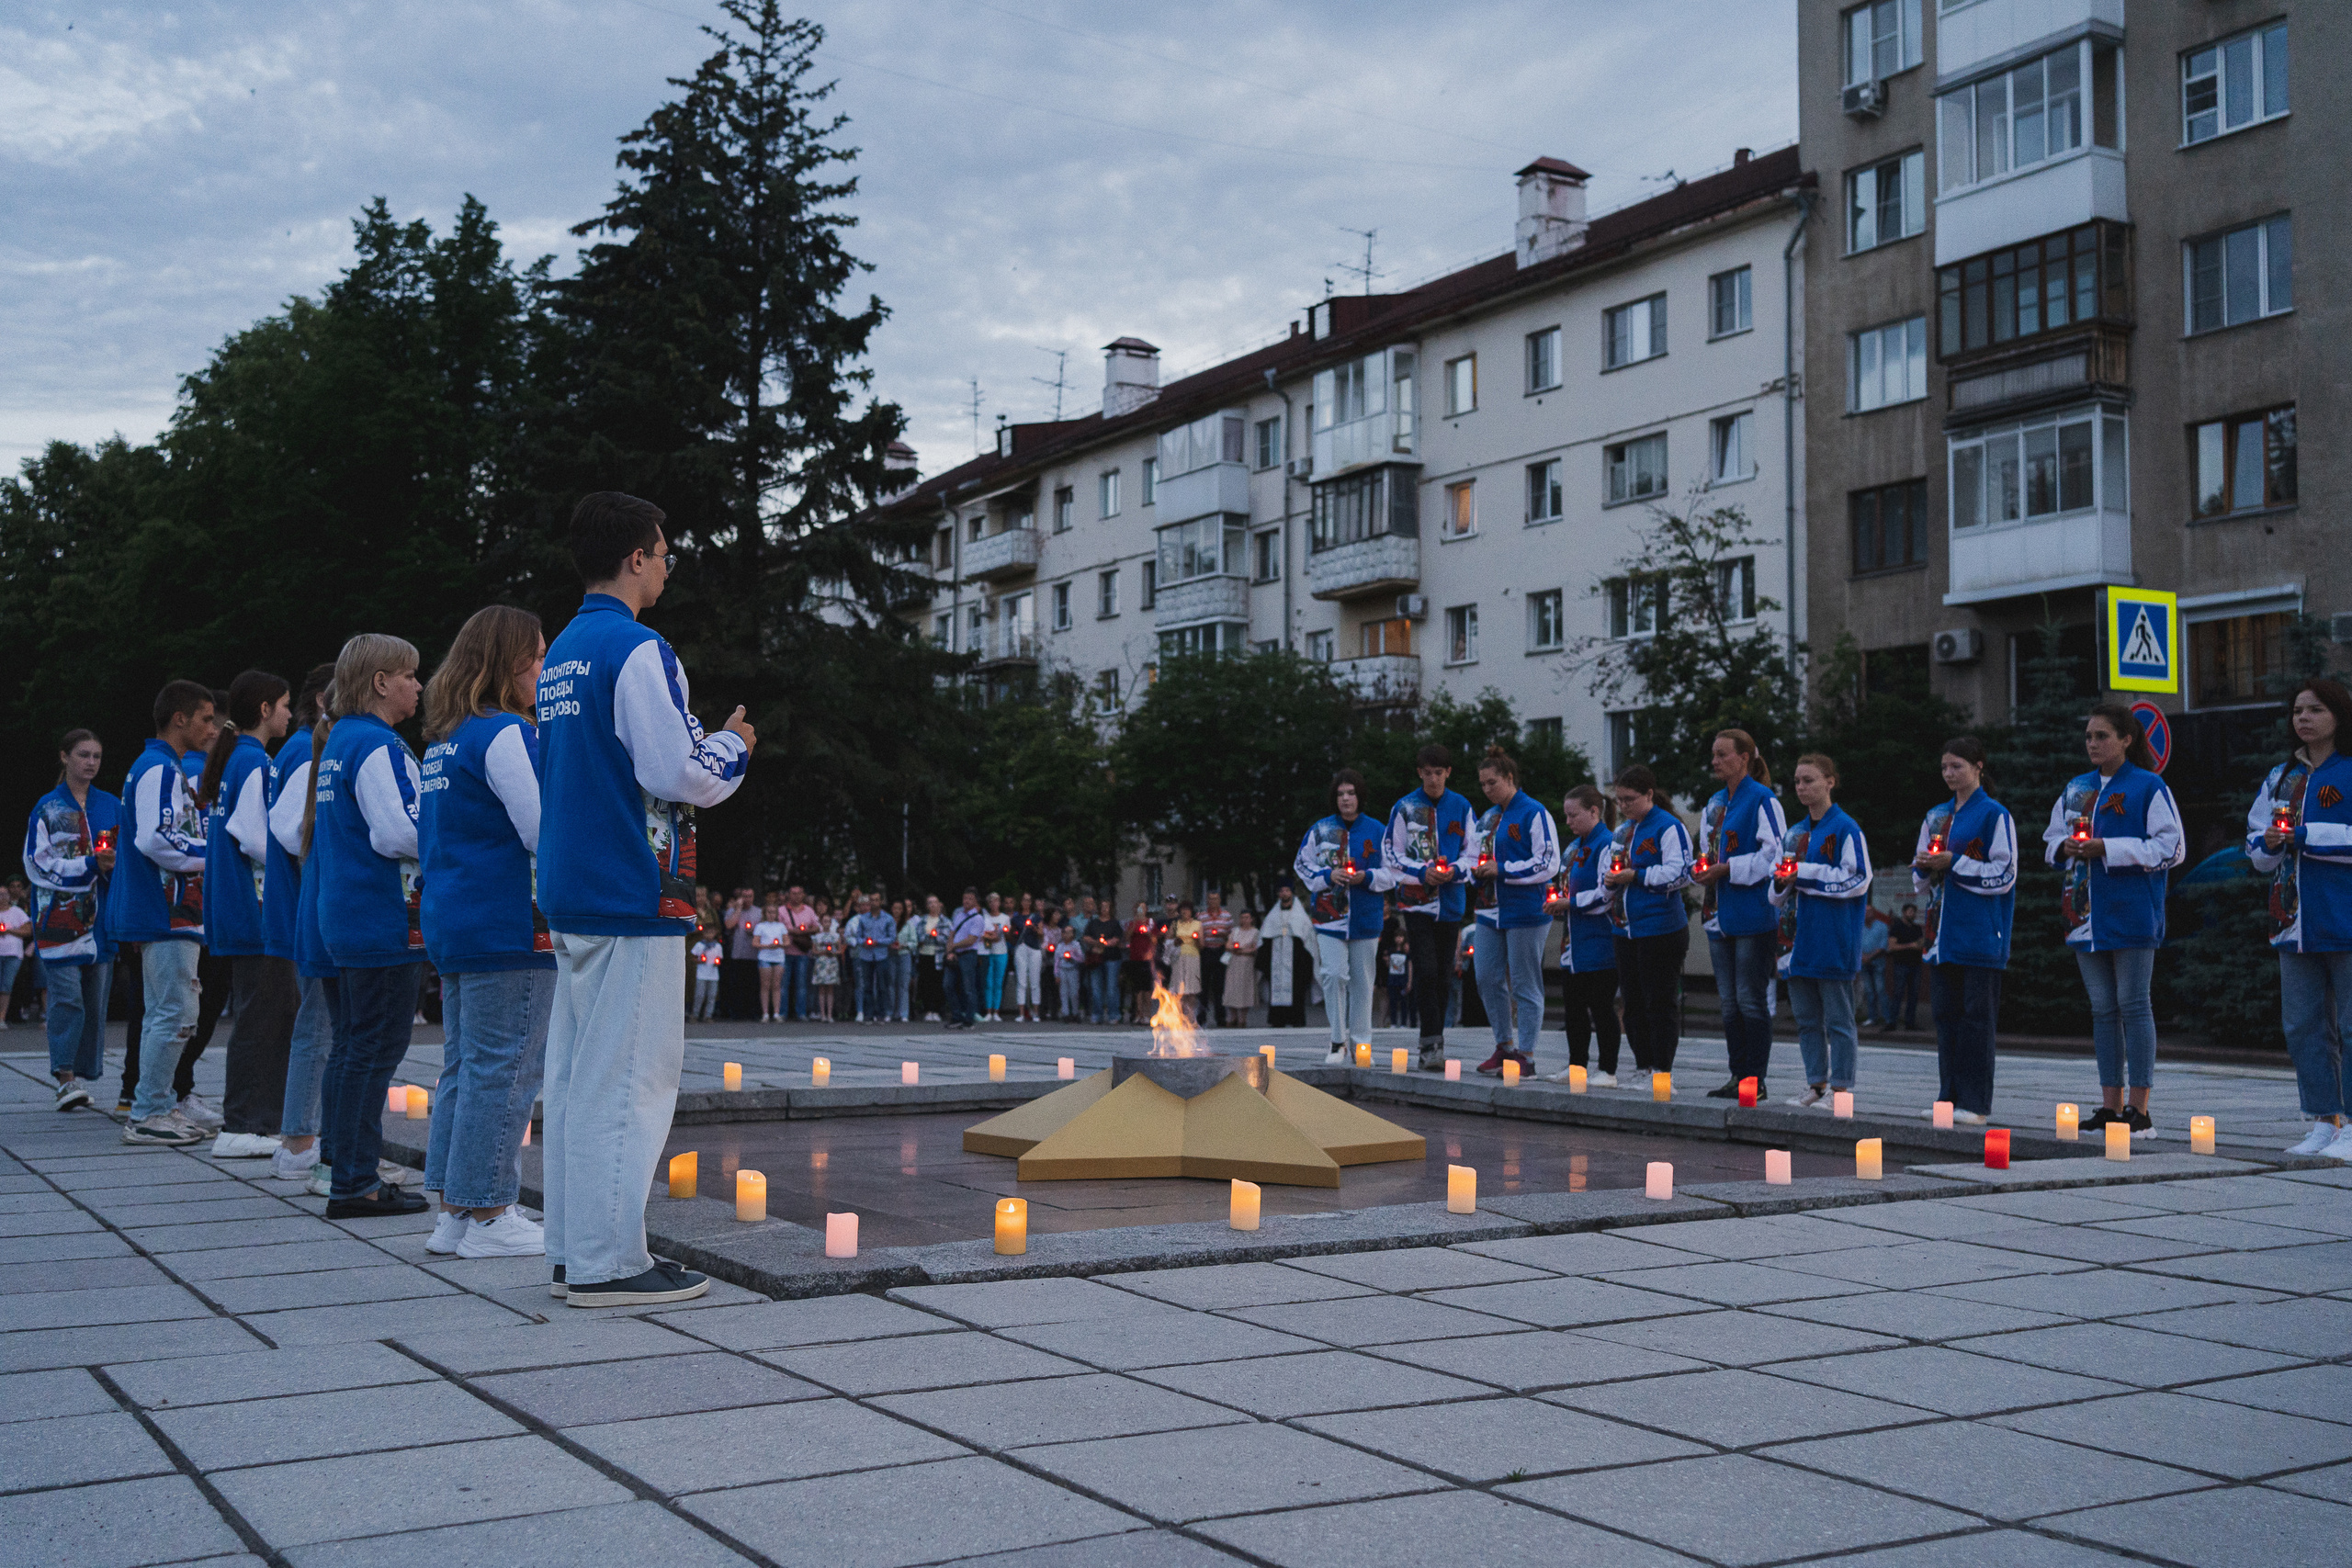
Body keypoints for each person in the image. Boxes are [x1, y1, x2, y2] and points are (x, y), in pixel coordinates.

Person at [537, 491, 752, 1306]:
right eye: (663, 551)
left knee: (577, 1077)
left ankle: (573, 1246)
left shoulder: (562, 650)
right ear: (635, 557)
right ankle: (608, 1262)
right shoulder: (636, 648)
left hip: (572, 883)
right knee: (629, 1079)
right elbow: (677, 771)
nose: (667, 565)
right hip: (630, 886)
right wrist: (735, 744)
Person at [416, 604, 555, 1258]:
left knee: (464, 1068)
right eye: (537, 653)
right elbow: (539, 830)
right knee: (507, 1069)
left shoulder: (446, 740)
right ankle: (492, 1211)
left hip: (455, 920)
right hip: (506, 924)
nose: (545, 666)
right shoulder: (506, 732)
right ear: (507, 661)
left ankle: (453, 1213)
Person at [308, 633, 433, 1214]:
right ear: (380, 682)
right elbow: (397, 831)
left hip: (351, 916)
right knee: (375, 1051)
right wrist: (453, 829)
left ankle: (345, 1167)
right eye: (408, 675)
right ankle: (355, 1181)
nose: (418, 685)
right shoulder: (377, 744)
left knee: (356, 1048)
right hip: (382, 921)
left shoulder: (341, 742)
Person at [2047, 702, 2185, 1141]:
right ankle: (2109, 1107)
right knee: (2103, 1009)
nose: (2093, 743)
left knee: (2133, 1003)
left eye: (2102, 736)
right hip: (2084, 914)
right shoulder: (2076, 788)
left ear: (2126, 740)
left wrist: (2110, 848)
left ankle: (2139, 1110)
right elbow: (2052, 837)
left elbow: (2171, 847)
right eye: (2088, 737)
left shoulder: (2148, 786)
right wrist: (2064, 848)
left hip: (2132, 912)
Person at [193, 670, 299, 1158]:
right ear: (263, 710)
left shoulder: (236, 758)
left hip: (236, 907)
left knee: (258, 1015)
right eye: (283, 705)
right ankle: (245, 1123)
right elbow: (257, 836)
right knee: (264, 1019)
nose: (289, 714)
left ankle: (251, 1119)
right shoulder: (254, 761)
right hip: (256, 911)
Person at [107, 682, 218, 1148]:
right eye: (206, 719)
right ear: (180, 718)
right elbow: (154, 839)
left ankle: (159, 1103)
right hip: (164, 911)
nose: (212, 729)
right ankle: (150, 1111)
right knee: (174, 1012)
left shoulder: (159, 766)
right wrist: (213, 858)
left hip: (170, 910)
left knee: (167, 1011)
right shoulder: (157, 768)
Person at [2251, 678, 2352, 1160]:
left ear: (2338, 714)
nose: (2303, 718)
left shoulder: (2351, 769)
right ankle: (2323, 1120)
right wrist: (2268, 843)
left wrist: (2305, 835)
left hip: (2345, 918)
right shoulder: (2281, 776)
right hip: (2292, 924)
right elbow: (2256, 843)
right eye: (2296, 711)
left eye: (2314, 710)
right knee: (2302, 1026)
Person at [267, 666, 347, 1190]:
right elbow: (282, 826)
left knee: (319, 1026)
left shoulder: (301, 747)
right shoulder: (305, 750)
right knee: (319, 1027)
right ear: (325, 698)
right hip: (318, 908)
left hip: (312, 905)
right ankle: (300, 1141)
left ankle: (303, 1139)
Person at [1912, 735, 2016, 1126]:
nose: (1950, 774)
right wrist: (1924, 866)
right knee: (1946, 1017)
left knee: (1976, 1019)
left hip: (1980, 936)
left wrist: (1953, 862)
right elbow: (1922, 878)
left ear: (1978, 767)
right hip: (1941, 935)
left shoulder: (1994, 815)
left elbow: (2004, 874)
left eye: (1958, 766)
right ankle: (1947, 1098)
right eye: (1945, 767)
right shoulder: (1936, 815)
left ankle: (1975, 1103)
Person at [24, 729, 120, 1110]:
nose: (91, 762)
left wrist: (112, 868)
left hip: (101, 922)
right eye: (83, 755)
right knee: (68, 999)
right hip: (58, 921)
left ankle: (81, 1075)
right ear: (65, 757)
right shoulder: (46, 808)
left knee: (95, 1002)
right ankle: (64, 1077)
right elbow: (37, 863)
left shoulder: (111, 805)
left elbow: (127, 857)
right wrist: (89, 865)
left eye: (97, 755)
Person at [1771, 754, 1873, 1109]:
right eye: (1797, 781)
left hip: (1832, 938)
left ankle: (1842, 1090)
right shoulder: (1795, 833)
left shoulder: (1846, 828)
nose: (1801, 787)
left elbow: (1858, 878)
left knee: (1839, 1020)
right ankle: (1816, 1084)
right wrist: (1783, 881)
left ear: (1830, 781)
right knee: (1806, 1020)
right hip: (1795, 941)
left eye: (1809, 780)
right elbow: (1775, 890)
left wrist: (1804, 873)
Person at [1693, 729, 1785, 1100]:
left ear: (1744, 757)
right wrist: (1700, 870)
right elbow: (1706, 851)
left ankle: (1755, 1081)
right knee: (1729, 1002)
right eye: (1713, 755)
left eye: (1722, 755)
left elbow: (1775, 857)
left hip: (1752, 913)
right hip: (1718, 911)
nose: (1714, 761)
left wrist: (1729, 869)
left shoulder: (1763, 800)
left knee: (1750, 998)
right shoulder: (1715, 803)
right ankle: (1737, 1074)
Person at [1465, 746, 1561, 1077]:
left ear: (1509, 778)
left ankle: (1527, 1054)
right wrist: (1471, 871)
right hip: (1489, 909)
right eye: (1482, 784)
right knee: (1486, 977)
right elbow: (1471, 856)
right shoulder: (1488, 817)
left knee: (1524, 982)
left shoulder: (1534, 812)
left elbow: (1548, 863)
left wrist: (1502, 869)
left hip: (1525, 910)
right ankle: (1503, 1045)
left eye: (1492, 783)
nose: (1487, 789)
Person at [1295, 768, 1398, 1065]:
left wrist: (1365, 877)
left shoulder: (1378, 830)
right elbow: (1302, 865)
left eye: (1351, 793)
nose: (1345, 799)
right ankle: (1337, 1042)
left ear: (1359, 796)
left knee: (1364, 982)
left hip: (1366, 918)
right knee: (1333, 975)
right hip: (1329, 919)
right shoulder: (1321, 830)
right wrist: (1329, 875)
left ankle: (1362, 1046)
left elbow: (1392, 873)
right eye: (1340, 794)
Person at [1385, 743, 1476, 1070]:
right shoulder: (1406, 807)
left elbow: (1474, 853)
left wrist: (1455, 871)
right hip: (1416, 905)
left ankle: (1437, 1039)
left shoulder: (1462, 806)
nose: (1434, 779)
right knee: (1424, 969)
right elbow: (1392, 854)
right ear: (1420, 773)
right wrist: (1421, 873)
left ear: (1448, 773)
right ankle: (1429, 1043)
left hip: (1450, 904)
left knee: (1442, 975)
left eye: (1440, 773)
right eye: (1428, 773)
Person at [1602, 765, 1693, 1076]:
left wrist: (1637, 875)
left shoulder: (1668, 827)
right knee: (1632, 1002)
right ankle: (1642, 1064)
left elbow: (1680, 873)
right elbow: (1612, 866)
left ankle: (1661, 1069)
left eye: (1629, 799)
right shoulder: (1623, 831)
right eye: (1619, 801)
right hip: (1625, 928)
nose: (1624, 806)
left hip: (1661, 928)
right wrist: (1610, 880)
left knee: (1659, 1002)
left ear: (1649, 795)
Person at [1548, 784, 1620, 1087]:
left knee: (1601, 1007)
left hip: (1599, 941)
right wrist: (1557, 902)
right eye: (1565, 816)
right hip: (1573, 943)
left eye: (1573, 815)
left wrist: (1571, 903)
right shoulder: (1575, 846)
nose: (1568, 822)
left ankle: (1607, 1069)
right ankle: (1577, 1064)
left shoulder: (1607, 844)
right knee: (1574, 1007)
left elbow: (1607, 894)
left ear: (1594, 812)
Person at [1261, 884, 1315, 1028]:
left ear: (1292, 893)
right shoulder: (1273, 916)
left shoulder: (1299, 915)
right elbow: (1265, 936)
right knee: (1276, 987)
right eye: (1281, 891)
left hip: (1295, 959)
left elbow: (1308, 938)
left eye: (1287, 890)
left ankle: (1296, 1019)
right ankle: (1278, 1019)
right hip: (1276, 958)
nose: (1284, 893)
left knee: (1296, 989)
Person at [943, 888, 985, 1029]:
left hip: (968, 955)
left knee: (968, 988)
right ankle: (956, 1016)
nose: (966, 901)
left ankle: (969, 1018)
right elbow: (952, 933)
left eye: (970, 899)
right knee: (948, 985)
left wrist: (954, 946)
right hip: (955, 954)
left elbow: (971, 940)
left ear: (975, 901)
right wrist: (950, 949)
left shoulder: (978, 918)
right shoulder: (959, 915)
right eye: (965, 898)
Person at [850, 894, 896, 1023]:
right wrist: (863, 942)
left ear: (881, 901)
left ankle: (881, 1014)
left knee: (882, 986)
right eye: (872, 900)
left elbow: (892, 937)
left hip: (881, 955)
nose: (874, 903)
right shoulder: (863, 919)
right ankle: (868, 1015)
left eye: (876, 900)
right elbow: (858, 936)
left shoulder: (888, 919)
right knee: (867, 986)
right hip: (866, 955)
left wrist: (878, 942)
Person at [1883, 902, 1925, 1031]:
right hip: (1901, 965)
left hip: (1915, 965)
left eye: (1914, 912)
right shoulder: (1897, 928)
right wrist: (1910, 945)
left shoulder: (1917, 928)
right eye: (1910, 912)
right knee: (1898, 994)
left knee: (1913, 995)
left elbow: (1921, 944)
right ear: (1904, 912)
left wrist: (1918, 945)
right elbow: (1892, 946)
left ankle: (1909, 1022)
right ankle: (1892, 1022)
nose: (1912, 914)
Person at [721, 887, 761, 1021]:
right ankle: (736, 1013)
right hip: (737, 954)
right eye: (745, 896)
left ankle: (751, 1012)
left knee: (752, 985)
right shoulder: (732, 911)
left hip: (753, 954)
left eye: (750, 896)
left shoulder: (759, 912)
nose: (747, 899)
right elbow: (729, 925)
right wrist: (738, 909)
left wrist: (754, 931)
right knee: (736, 985)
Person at [1197, 890, 1233, 1029]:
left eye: (1216, 899)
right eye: (1210, 899)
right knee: (1204, 987)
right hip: (1206, 952)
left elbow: (1231, 935)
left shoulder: (1227, 916)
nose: (1213, 902)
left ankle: (1221, 1017)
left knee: (1219, 987)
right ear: (1207, 901)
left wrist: (1224, 935)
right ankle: (1202, 1017)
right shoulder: (1201, 916)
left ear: (1219, 900)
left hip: (1220, 951)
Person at [1223, 907, 1261, 1026]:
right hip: (1234, 963)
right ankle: (1232, 1017)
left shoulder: (1255, 932)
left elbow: (1255, 949)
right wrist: (1235, 949)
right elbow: (1228, 945)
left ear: (1251, 919)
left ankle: (1242, 1018)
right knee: (1232, 989)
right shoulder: (1235, 931)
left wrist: (1242, 951)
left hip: (1247, 965)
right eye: (1242, 917)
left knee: (1245, 990)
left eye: (1247, 918)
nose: (1244, 920)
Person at [1009, 892, 1043, 1022]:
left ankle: (1036, 1012)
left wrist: (1033, 928)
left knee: (1035, 981)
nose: (1026, 903)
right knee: (1021, 981)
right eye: (1024, 900)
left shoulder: (1037, 917)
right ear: (1021, 902)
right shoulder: (1016, 918)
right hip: (1021, 948)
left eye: (1029, 900)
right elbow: (1011, 934)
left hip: (1034, 948)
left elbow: (1041, 934)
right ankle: (1021, 1013)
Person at [1856, 905, 1892, 1028]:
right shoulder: (1859, 926)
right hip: (1863, 962)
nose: (1867, 914)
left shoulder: (1881, 926)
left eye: (1869, 912)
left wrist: (1869, 957)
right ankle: (1872, 1018)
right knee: (1869, 992)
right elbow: (1855, 944)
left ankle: (1888, 1018)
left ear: (1874, 913)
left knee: (1880, 990)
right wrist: (1862, 957)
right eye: (1864, 912)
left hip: (1878, 962)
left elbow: (1883, 946)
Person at [1122, 900, 1157, 1023]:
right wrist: (1136, 922)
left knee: (1147, 988)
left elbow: (1154, 940)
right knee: (1137, 989)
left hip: (1147, 959)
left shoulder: (1150, 922)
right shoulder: (1132, 923)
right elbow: (1127, 937)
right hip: (1135, 958)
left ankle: (1148, 1014)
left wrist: (1147, 933)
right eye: (1138, 908)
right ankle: (1139, 1014)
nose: (1141, 910)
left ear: (1146, 909)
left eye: (1143, 908)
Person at [912, 894, 945, 1021]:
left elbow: (947, 938)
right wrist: (927, 936)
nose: (932, 905)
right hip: (924, 954)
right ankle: (927, 1010)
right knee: (926, 983)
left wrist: (936, 936)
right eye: (930, 903)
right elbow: (918, 938)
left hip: (938, 955)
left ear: (939, 904)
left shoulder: (945, 921)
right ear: (927, 906)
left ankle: (937, 1010)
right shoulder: (922, 921)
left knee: (937, 983)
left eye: (935, 902)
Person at [1169, 899, 1203, 1021]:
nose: (1185, 912)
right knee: (1179, 989)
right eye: (1182, 909)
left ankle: (1191, 1015)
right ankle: (1179, 1015)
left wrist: (1196, 939)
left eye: (1187, 909)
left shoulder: (1197, 924)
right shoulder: (1175, 924)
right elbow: (1167, 941)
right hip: (1178, 958)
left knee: (1191, 989)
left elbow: (1202, 945)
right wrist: (1174, 941)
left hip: (1192, 957)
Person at [978, 891, 1011, 1022]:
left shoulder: (1004, 918)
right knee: (988, 982)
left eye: (996, 901)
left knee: (998, 982)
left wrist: (1004, 932)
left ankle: (997, 1011)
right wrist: (990, 938)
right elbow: (982, 934)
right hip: (988, 952)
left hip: (1001, 951)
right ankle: (988, 1011)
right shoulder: (985, 918)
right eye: (991, 901)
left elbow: (1008, 936)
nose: (994, 904)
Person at [811, 905, 843, 1022]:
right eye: (824, 921)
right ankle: (822, 1014)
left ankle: (830, 1014)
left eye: (829, 921)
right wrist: (822, 952)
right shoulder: (817, 936)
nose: (827, 923)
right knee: (821, 989)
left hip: (832, 962)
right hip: (821, 962)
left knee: (830, 989)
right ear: (821, 923)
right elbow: (814, 950)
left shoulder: (835, 936)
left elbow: (840, 950)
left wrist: (833, 952)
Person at [1382, 925, 1412, 1030]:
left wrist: (1409, 981)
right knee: (1393, 1002)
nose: (1398, 939)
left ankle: (1403, 1023)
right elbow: (1388, 964)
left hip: (1402, 979)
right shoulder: (1391, 950)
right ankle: (1393, 1022)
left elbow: (1409, 966)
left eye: (1401, 937)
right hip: (1393, 979)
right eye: (1397, 937)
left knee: (1404, 1002)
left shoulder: (1406, 952)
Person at [691, 930, 722, 1019]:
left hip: (713, 975)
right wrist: (699, 961)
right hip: (701, 974)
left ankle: (708, 1015)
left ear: (715, 933)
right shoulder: (699, 945)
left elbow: (719, 959)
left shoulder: (717, 946)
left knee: (711, 996)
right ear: (704, 933)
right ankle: (695, 1014)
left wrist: (717, 963)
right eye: (707, 933)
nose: (709, 935)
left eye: (711, 932)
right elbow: (693, 957)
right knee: (699, 995)